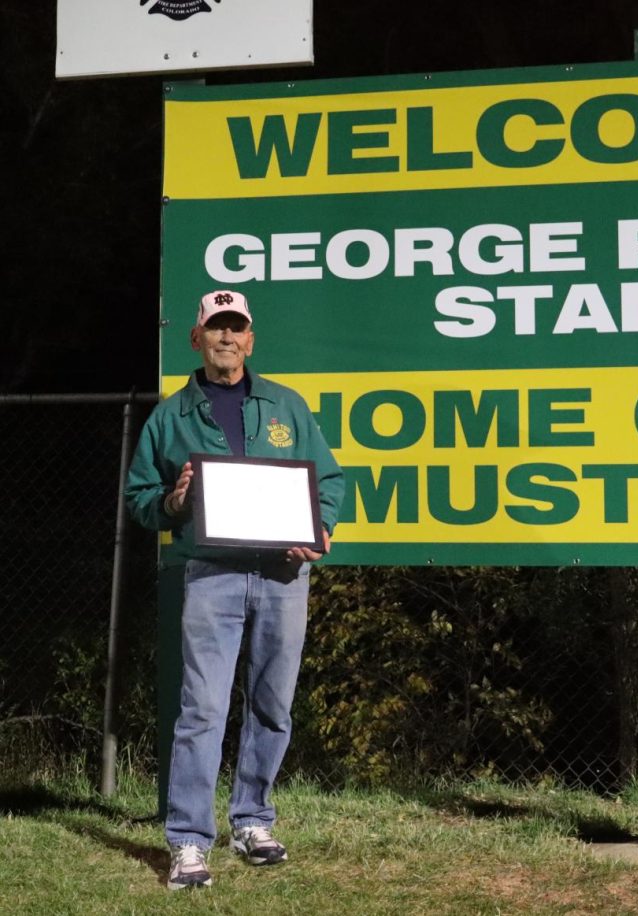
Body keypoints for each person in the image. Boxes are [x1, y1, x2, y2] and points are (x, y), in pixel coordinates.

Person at [125, 289, 344, 891]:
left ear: (250, 339)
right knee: (202, 709)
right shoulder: (171, 416)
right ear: (195, 339)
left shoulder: (286, 406)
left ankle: (252, 822)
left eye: (236, 327)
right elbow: (140, 499)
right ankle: (190, 842)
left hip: (282, 574)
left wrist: (320, 528)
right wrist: (173, 501)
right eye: (214, 328)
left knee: (272, 706)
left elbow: (328, 480)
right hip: (211, 574)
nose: (226, 337)